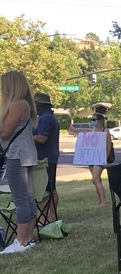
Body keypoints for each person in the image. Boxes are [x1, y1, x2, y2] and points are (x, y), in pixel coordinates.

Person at [0, 71, 39, 253]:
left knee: (20, 198)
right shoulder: (25, 104)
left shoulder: (17, 104)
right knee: (28, 197)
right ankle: (28, 238)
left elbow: (5, 132)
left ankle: (21, 241)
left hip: (17, 155)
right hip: (26, 154)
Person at [32, 92, 60, 221]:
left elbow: (42, 138)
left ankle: (48, 218)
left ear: (40, 105)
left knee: (47, 190)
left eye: (35, 104)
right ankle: (49, 217)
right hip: (49, 157)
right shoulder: (48, 116)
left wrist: (25, 138)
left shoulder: (45, 118)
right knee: (48, 189)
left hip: (45, 159)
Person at [88, 112, 114, 206]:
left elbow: (108, 146)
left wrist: (105, 158)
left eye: (94, 120)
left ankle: (103, 201)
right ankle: (100, 200)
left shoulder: (105, 131)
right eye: (91, 120)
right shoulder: (92, 131)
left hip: (100, 158)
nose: (92, 121)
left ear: (100, 121)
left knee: (94, 179)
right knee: (97, 180)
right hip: (92, 158)